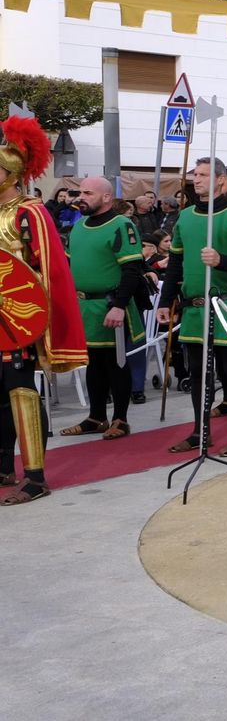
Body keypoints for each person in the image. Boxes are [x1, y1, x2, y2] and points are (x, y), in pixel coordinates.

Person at [0, 116, 87, 505]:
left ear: (12, 174)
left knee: (21, 390)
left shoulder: (29, 212)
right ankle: (4, 467)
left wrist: (42, 326)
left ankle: (35, 478)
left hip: (18, 316)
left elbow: (48, 268)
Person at [157, 157, 227, 457]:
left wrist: (222, 261)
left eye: (204, 174)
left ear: (221, 180)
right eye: (195, 173)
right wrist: (166, 301)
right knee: (198, 374)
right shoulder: (187, 216)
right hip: (193, 306)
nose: (197, 179)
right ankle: (199, 432)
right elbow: (176, 262)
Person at [61, 177, 146, 442]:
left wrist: (119, 305)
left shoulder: (122, 225)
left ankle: (120, 419)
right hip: (84, 306)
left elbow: (132, 270)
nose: (80, 197)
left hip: (110, 305)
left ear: (106, 197)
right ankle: (96, 417)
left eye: (88, 192)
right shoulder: (79, 227)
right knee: (93, 363)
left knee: (115, 363)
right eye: (80, 192)